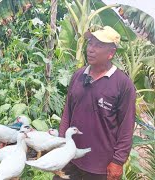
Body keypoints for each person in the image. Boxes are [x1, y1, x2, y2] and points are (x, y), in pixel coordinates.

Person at [55, 26, 136, 180]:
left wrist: (117, 162)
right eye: (90, 43)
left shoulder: (123, 84)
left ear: (111, 53)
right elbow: (67, 113)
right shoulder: (78, 75)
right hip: (71, 158)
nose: (90, 49)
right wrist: (61, 144)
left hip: (100, 167)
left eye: (98, 45)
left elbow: (126, 127)